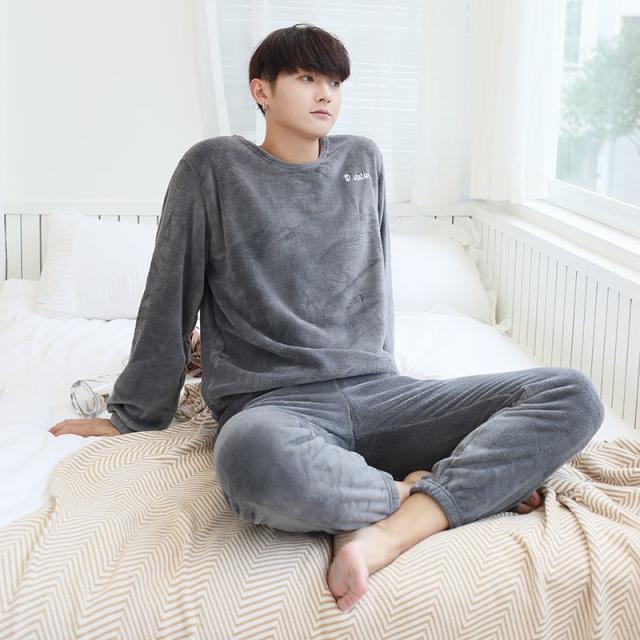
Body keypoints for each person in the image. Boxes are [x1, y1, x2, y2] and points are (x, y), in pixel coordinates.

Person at [49, 23, 605, 613]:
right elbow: (171, 290)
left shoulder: (362, 159)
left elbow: (376, 279)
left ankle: (393, 528)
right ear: (261, 90)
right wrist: (132, 415)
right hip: (275, 407)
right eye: (307, 78)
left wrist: (390, 376)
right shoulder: (212, 167)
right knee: (248, 458)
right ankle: (409, 489)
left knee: (571, 395)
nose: (326, 94)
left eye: (335, 83)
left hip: (382, 395)